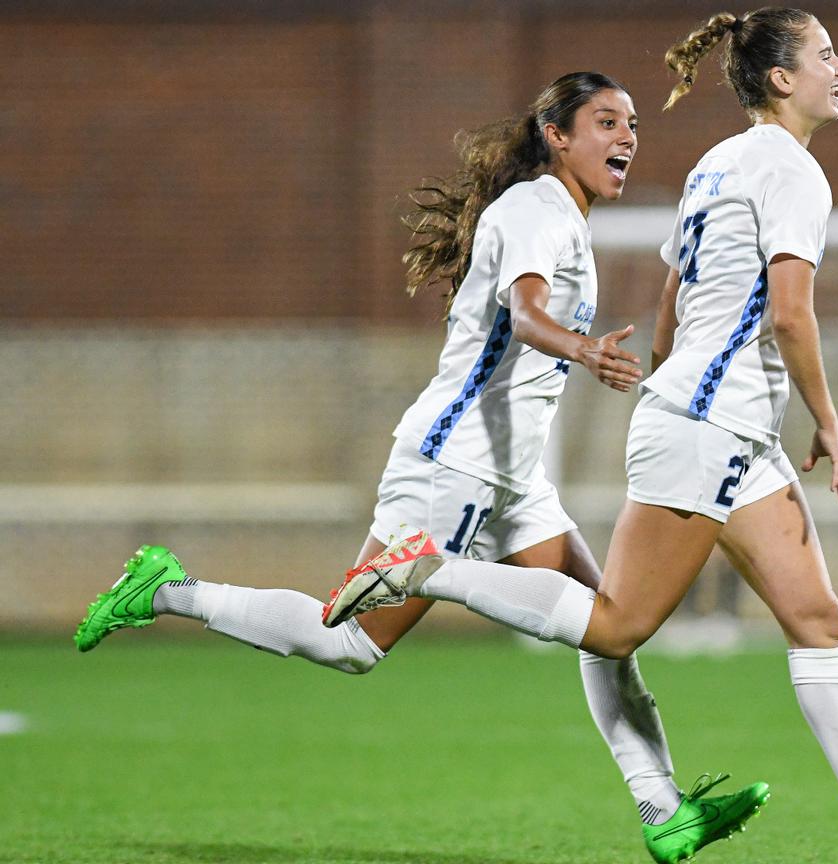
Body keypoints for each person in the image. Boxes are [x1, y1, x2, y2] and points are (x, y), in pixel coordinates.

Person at [323, 11, 838, 861]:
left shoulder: (719, 163)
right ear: (781, 78)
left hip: (724, 429)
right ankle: (428, 568)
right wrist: (827, 420)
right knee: (615, 628)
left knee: (817, 616)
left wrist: (685, 383)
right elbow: (790, 311)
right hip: (712, 428)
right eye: (827, 55)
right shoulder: (793, 174)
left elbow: (675, 295)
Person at [72, 71, 768, 864]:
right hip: (455, 464)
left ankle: (662, 808)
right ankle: (163, 588)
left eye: (633, 123)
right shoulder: (536, 209)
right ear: (557, 136)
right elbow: (527, 308)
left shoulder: (560, 216)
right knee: (351, 647)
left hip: (511, 472)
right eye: (606, 122)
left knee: (607, 632)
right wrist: (581, 348)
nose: (627, 137)